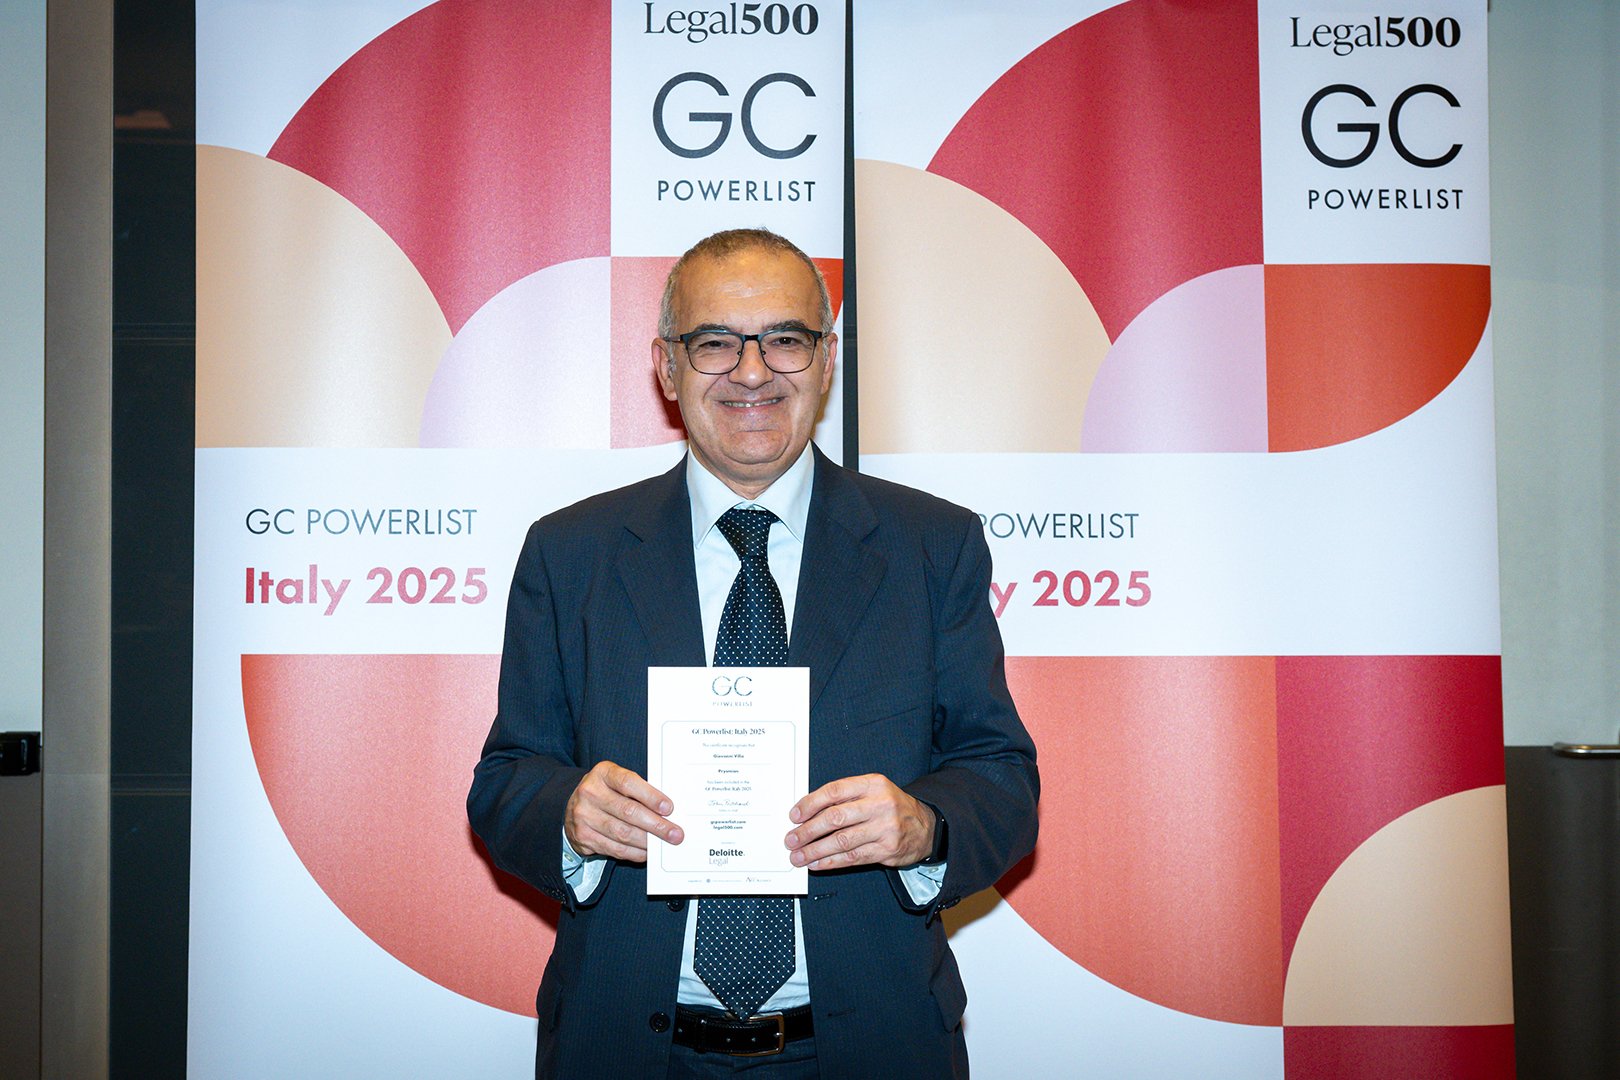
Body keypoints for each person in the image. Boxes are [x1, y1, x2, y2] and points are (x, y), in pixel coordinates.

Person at [468, 228, 1038, 1079]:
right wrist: (569, 815)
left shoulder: (932, 546)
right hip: (627, 1050)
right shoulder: (570, 553)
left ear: (826, 359)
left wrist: (926, 826)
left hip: (874, 1048)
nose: (752, 371)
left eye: (784, 339)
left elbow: (1002, 778)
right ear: (667, 368)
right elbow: (506, 779)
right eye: (714, 343)